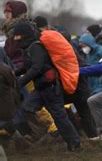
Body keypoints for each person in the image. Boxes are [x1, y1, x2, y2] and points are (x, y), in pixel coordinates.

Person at [13, 22, 81, 151]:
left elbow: (36, 68)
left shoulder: (35, 47)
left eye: (17, 36)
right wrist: (13, 74)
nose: (15, 39)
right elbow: (27, 67)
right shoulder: (28, 48)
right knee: (27, 108)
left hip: (51, 88)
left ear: (24, 35)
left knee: (59, 117)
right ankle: (42, 134)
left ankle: (75, 144)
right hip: (41, 88)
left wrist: (20, 82)